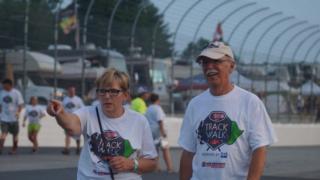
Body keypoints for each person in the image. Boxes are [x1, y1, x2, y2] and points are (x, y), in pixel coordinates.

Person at [178, 41, 277, 180]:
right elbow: (188, 152)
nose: (209, 67)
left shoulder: (250, 102)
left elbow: (260, 149)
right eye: (205, 62)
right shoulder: (195, 104)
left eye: (216, 61)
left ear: (231, 66)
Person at [47, 68, 157, 180]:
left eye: (113, 91)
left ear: (125, 95)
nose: (107, 96)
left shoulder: (139, 121)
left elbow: (152, 163)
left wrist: (131, 164)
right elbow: (71, 126)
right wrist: (60, 113)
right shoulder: (88, 113)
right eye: (102, 91)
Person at [145, 93, 174, 173]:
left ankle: (157, 168)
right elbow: (160, 121)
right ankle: (169, 168)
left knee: (155, 151)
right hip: (159, 133)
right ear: (158, 100)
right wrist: (163, 132)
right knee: (165, 149)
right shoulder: (158, 108)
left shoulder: (148, 109)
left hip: (151, 132)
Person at [0, 78, 24, 155]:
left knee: (15, 135)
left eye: (5, 85)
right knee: (3, 133)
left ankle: (14, 149)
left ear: (10, 85)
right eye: (3, 85)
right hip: (4, 118)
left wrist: (18, 112)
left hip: (14, 118)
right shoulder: (1, 93)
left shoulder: (16, 93)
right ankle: (0, 147)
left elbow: (20, 105)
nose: (3, 87)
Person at [61, 86, 85, 155]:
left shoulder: (78, 100)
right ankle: (67, 149)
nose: (72, 92)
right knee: (67, 134)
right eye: (70, 91)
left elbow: (83, 108)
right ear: (68, 91)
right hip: (67, 119)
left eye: (73, 91)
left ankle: (78, 148)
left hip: (75, 119)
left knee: (77, 135)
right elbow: (62, 108)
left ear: (74, 91)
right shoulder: (65, 99)